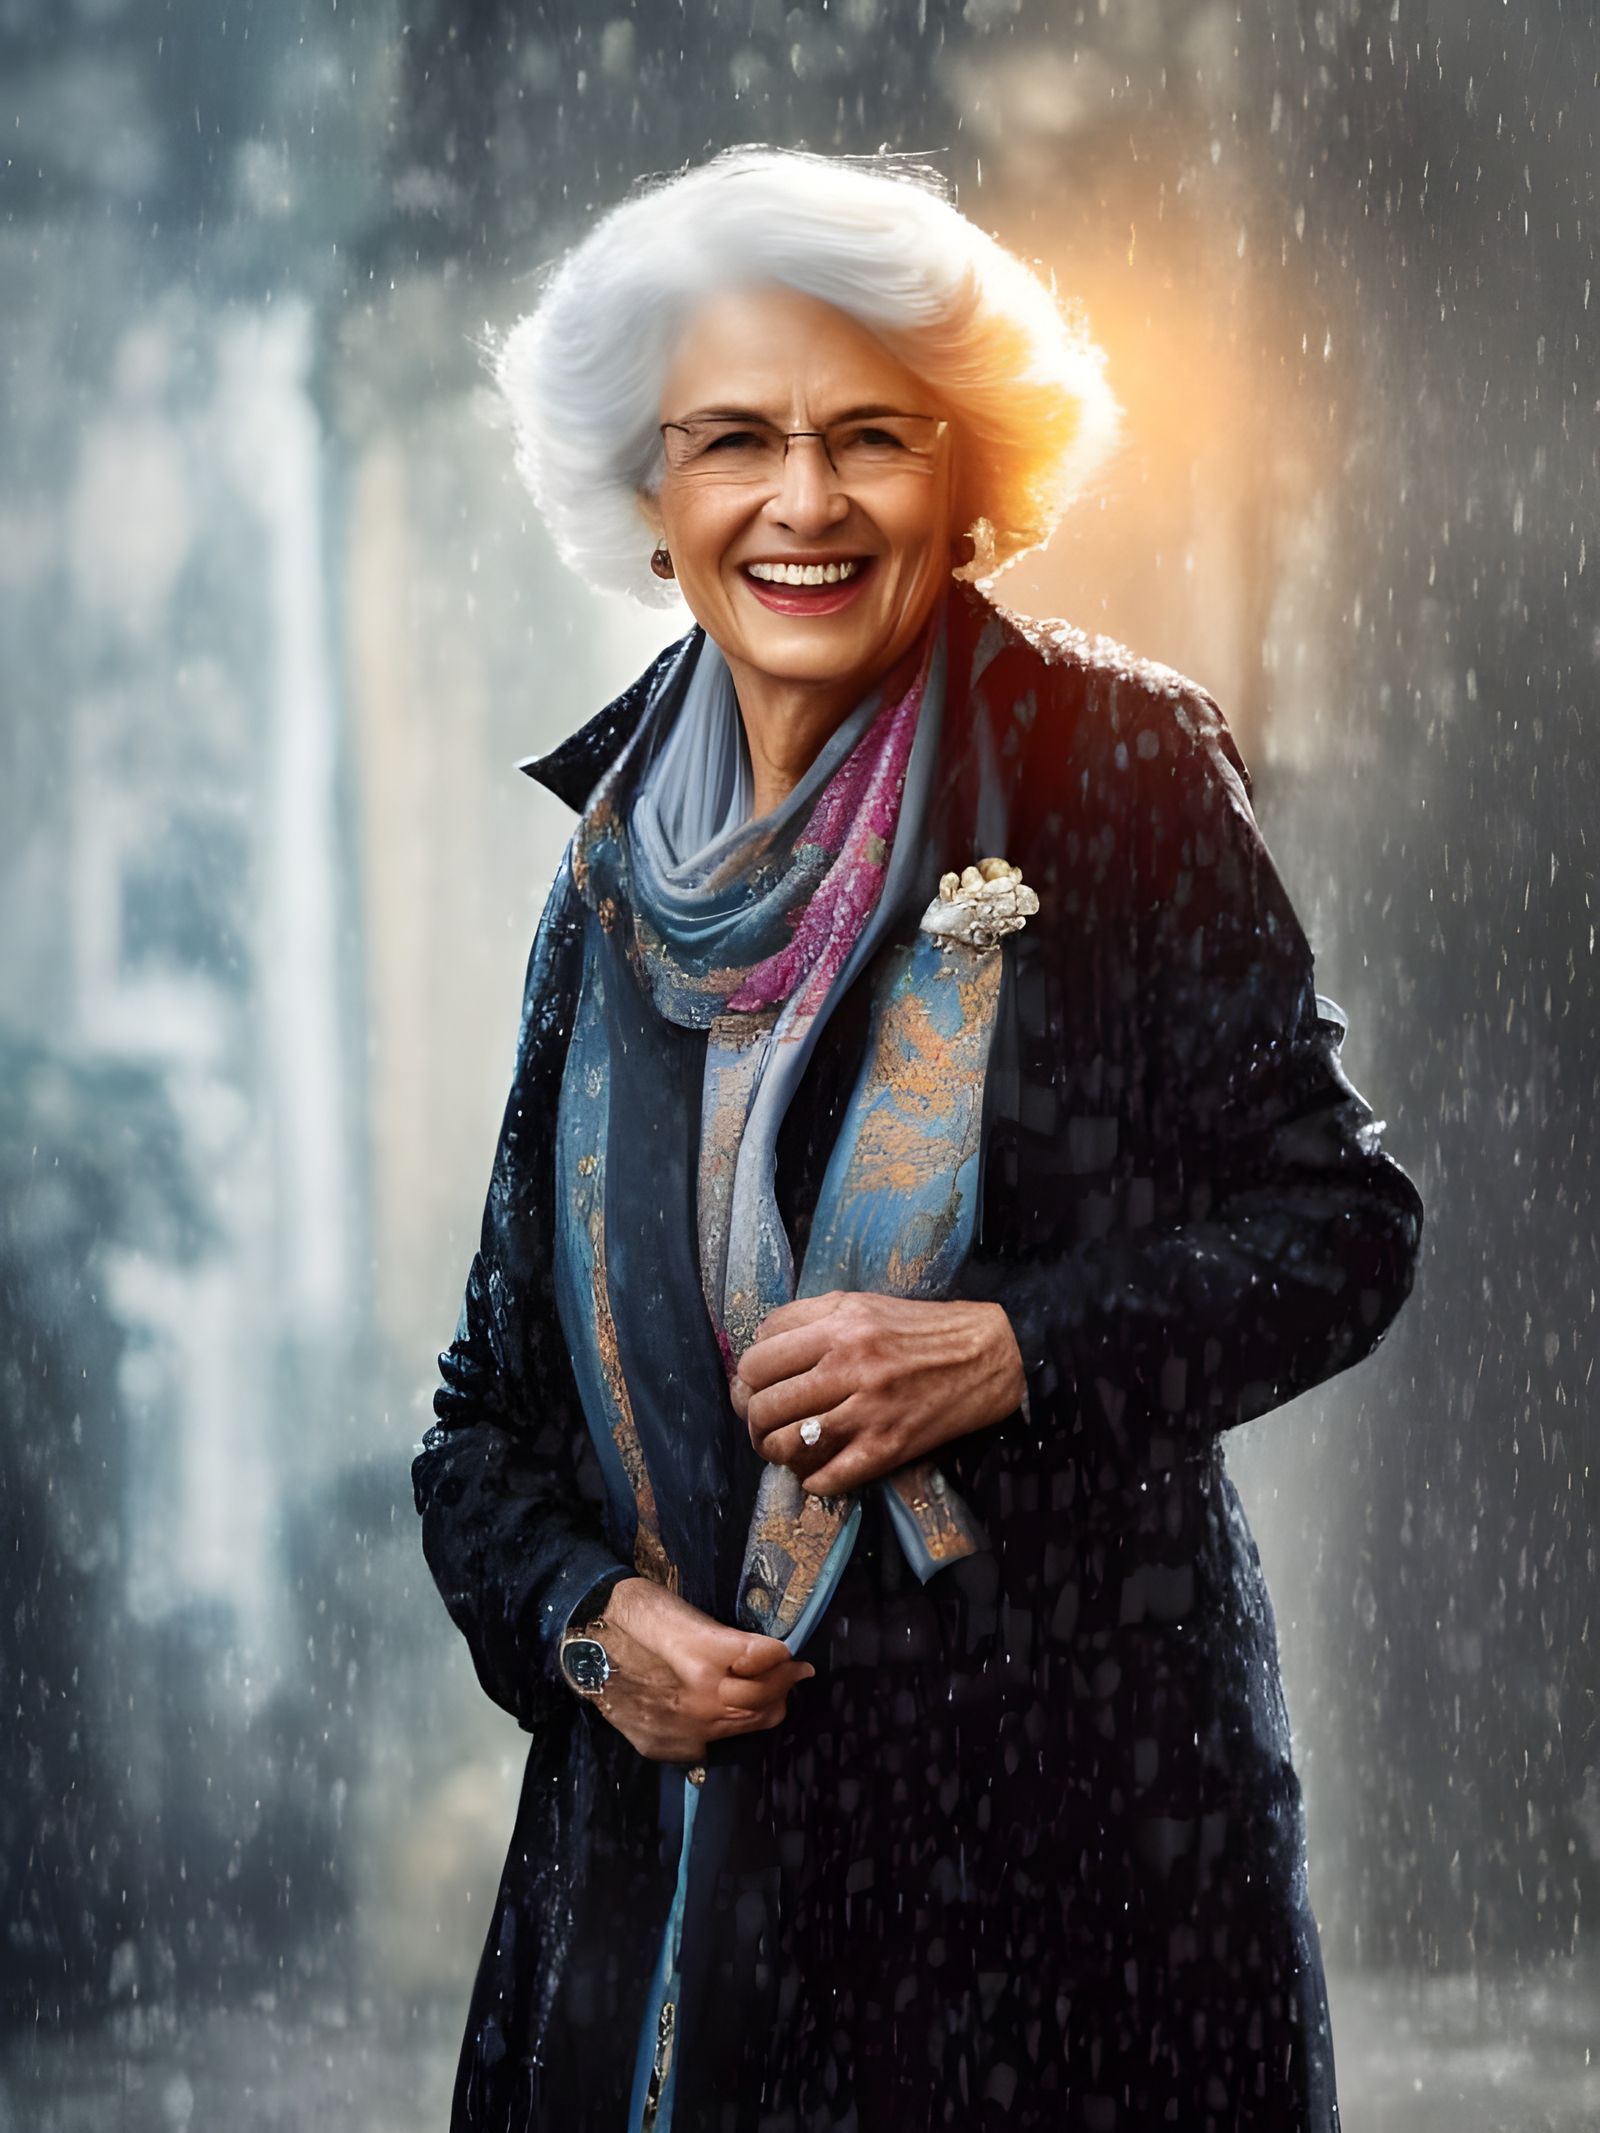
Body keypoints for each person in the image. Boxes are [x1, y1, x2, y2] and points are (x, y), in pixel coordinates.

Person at [412, 146, 1424, 2133]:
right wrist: (586, 1625)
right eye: (732, 442)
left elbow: (1336, 1221)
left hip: (1062, 1860)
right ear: (649, 493)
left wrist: (1006, 1347)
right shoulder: (605, 875)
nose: (800, 502)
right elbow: (482, 1417)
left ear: (963, 478)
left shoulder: (1109, 766)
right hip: (675, 1879)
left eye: (867, 435)